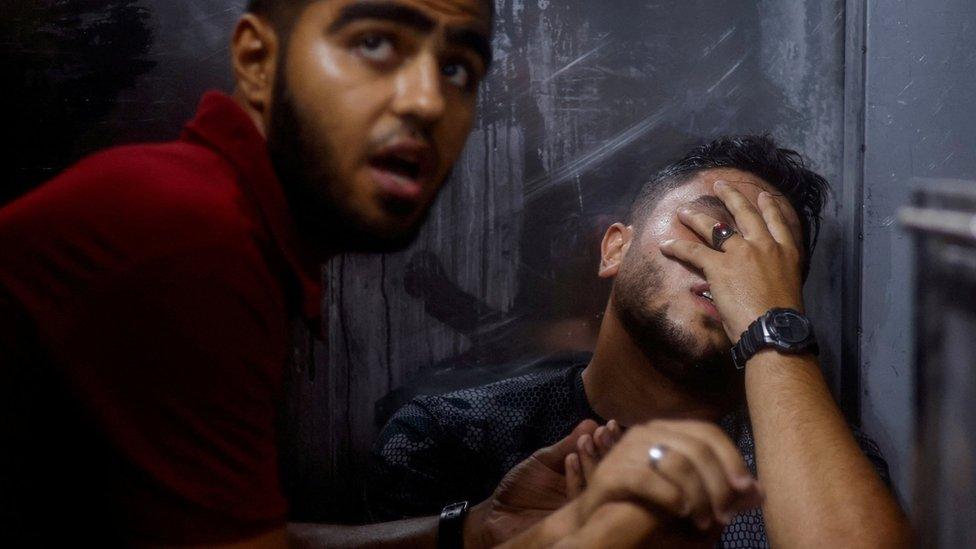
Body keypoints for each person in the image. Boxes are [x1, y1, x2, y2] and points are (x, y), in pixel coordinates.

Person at [0, 1, 766, 546]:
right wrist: (611, 529)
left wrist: (474, 531)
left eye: (460, 67)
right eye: (375, 43)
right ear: (256, 62)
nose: (429, 99)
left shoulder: (233, 232)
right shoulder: (188, 232)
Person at [369, 135, 914, 547]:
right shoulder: (450, 436)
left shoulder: (820, 461)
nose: (732, 260)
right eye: (713, 227)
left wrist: (768, 319)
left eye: (766, 254)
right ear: (614, 250)